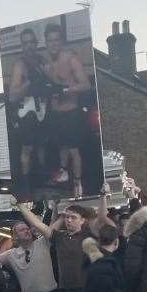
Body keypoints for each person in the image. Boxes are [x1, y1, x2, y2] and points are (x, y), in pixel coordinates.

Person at [43, 23, 92, 198]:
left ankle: (78, 183)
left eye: (56, 40)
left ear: (61, 41)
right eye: (50, 41)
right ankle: (64, 173)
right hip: (57, 115)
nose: (53, 44)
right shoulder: (47, 64)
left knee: (73, 150)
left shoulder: (71, 58)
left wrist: (64, 90)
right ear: (46, 43)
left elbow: (86, 84)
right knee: (62, 146)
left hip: (72, 112)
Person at [7, 27, 54, 197]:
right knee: (26, 149)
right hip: (27, 112)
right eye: (24, 43)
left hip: (42, 109)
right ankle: (25, 187)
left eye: (31, 42)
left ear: (36, 43)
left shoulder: (41, 61)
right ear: (22, 45)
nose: (28, 46)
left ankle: (41, 179)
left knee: (42, 145)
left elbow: (51, 83)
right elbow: (12, 96)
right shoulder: (20, 64)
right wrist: (28, 83)